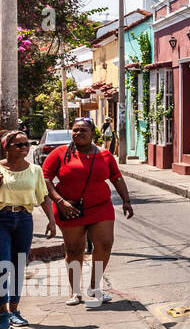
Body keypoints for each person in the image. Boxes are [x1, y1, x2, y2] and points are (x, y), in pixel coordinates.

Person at [42, 117, 134, 307]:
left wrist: (126, 200)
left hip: (100, 206)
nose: (79, 133)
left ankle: (95, 286)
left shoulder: (104, 155)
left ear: (93, 133)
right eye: (75, 130)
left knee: (105, 244)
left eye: (83, 130)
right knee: (75, 249)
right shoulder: (60, 153)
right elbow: (45, 178)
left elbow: (116, 177)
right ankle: (75, 291)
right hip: (69, 208)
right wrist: (60, 201)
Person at [0, 130, 58, 329]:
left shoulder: (35, 170)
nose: (24, 148)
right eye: (19, 145)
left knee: (18, 265)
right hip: (1, 219)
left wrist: (52, 221)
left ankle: (14, 310)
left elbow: (42, 196)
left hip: (24, 219)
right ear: (6, 147)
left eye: (26, 144)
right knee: (3, 266)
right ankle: (2, 312)